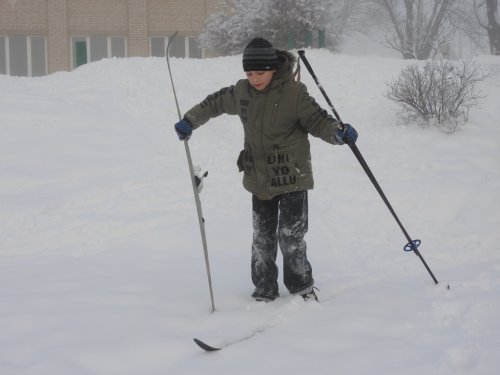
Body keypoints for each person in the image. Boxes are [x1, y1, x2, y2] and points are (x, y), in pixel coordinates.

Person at [174, 37, 358, 302]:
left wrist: (338, 133)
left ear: (273, 68)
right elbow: (213, 103)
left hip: (292, 176)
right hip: (259, 178)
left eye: (260, 73)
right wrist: (189, 121)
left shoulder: (294, 93)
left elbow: (318, 120)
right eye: (249, 73)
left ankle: (301, 286)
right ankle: (264, 289)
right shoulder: (242, 92)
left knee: (290, 237)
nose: (254, 78)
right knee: (262, 239)